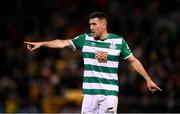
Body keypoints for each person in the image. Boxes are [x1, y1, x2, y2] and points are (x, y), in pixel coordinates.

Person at [24, 12, 162, 114]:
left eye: (94, 24)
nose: (91, 27)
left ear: (103, 25)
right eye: (90, 24)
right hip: (89, 94)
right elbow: (62, 42)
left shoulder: (118, 41)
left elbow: (133, 60)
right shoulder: (85, 39)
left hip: (109, 94)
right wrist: (42, 43)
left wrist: (148, 79)